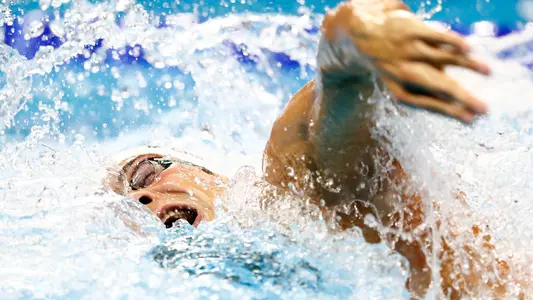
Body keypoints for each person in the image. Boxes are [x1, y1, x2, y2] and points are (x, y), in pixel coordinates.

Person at [105, 0, 524, 298]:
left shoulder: (291, 192)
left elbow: (337, 84)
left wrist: (362, 33)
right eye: (124, 211)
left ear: (211, 175)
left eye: (143, 174)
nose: (140, 197)